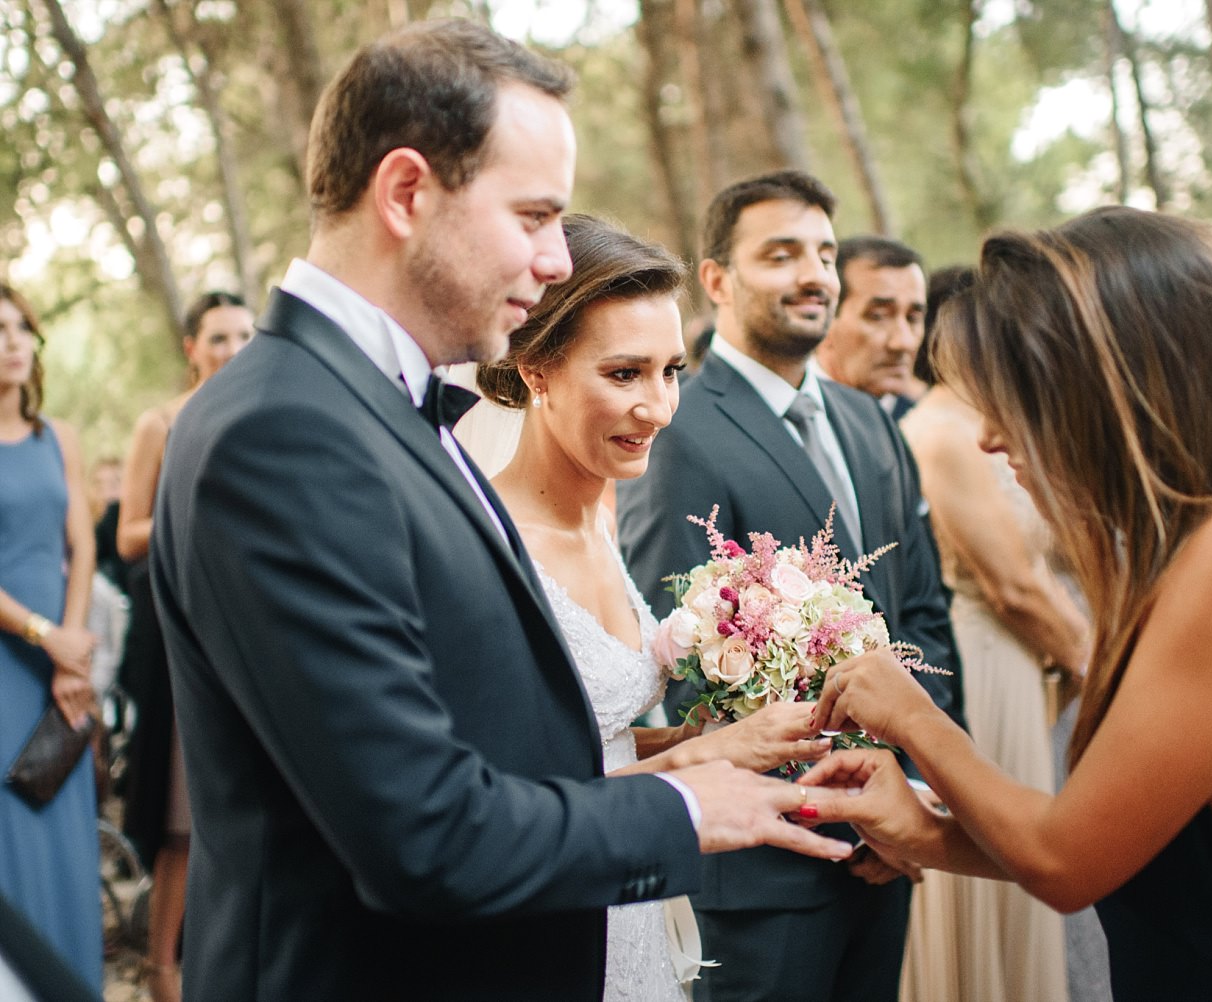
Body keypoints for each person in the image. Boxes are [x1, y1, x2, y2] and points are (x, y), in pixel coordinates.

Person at [147, 22, 849, 1002]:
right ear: (406, 193)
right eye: (534, 217)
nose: (558, 260)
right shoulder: (282, 431)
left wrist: (693, 750)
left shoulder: (389, 406)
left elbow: (481, 728)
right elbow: (422, 833)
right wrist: (686, 806)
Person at [799, 206, 1212, 1000]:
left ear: (1114, 386)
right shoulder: (1200, 547)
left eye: (1020, 396)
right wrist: (933, 833)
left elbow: (1065, 862)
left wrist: (914, 717)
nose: (989, 438)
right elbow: (1136, 847)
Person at [617, 169, 963, 1002]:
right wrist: (823, 799)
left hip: (889, 839)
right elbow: (680, 650)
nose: (813, 275)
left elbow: (919, 609)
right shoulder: (678, 429)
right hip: (765, 862)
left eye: (824, 254)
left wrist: (915, 790)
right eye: (781, 255)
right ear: (717, 279)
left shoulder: (870, 418)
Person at [479, 213, 837, 1001]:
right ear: (537, 370)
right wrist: (698, 764)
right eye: (623, 374)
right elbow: (504, 806)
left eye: (671, 370)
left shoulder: (605, 518)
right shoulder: (495, 549)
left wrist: (714, 736)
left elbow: (595, 741)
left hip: (634, 901)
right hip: (556, 929)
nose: (659, 406)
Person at [896, 268, 1083, 1002]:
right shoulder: (942, 432)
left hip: (1016, 662)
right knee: (1001, 851)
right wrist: (1100, 671)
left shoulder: (991, 425)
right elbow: (1015, 586)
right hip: (982, 663)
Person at [116, 290, 254, 1002]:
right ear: (191, 347)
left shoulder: (259, 416)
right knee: (181, 818)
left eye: (244, 336)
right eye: (219, 338)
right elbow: (128, 533)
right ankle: (161, 968)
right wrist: (192, 517)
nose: (233, 350)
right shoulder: (161, 423)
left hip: (248, 629)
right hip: (181, 633)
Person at [0, 283, 101, 992]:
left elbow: (83, 547)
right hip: (7, 662)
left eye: (18, 328)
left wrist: (70, 646)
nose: (9, 341)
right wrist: (42, 635)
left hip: (60, 665)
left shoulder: (58, 437)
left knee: (65, 832)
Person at [815, 236, 926, 420]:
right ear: (825, 319)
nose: (903, 342)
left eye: (913, 318)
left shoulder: (922, 427)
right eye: (878, 317)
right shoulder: (792, 417)